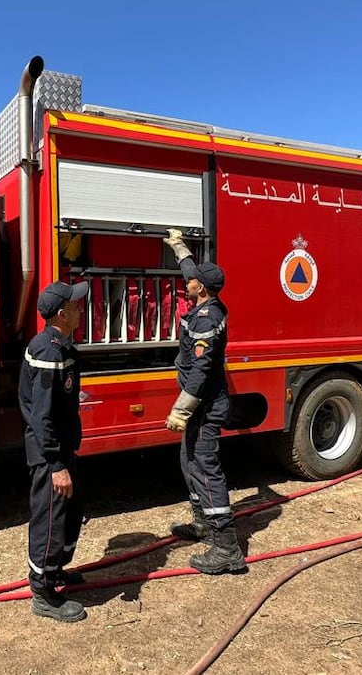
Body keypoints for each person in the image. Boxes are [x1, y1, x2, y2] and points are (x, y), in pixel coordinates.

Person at [162, 228, 248, 575]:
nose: (188, 281)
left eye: (193, 280)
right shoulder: (206, 300)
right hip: (202, 404)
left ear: (203, 288)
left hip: (205, 405)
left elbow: (200, 372)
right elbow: (192, 272)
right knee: (189, 462)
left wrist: (180, 410)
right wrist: (179, 246)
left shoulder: (206, 319)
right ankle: (203, 523)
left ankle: (227, 548)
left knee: (206, 469)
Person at [19, 279, 90, 621]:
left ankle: (55, 569)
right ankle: (43, 592)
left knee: (71, 512)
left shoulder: (59, 346)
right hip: (50, 454)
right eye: (75, 306)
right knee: (50, 519)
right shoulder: (49, 351)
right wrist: (56, 464)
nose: (80, 310)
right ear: (62, 314)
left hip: (60, 449)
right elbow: (42, 415)